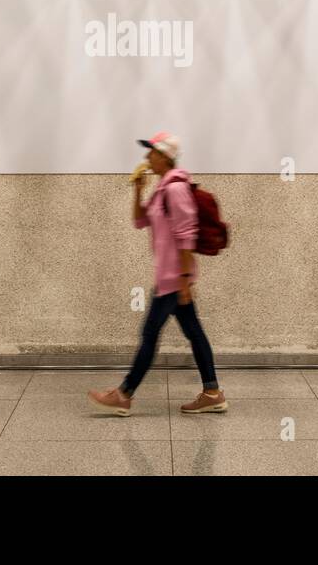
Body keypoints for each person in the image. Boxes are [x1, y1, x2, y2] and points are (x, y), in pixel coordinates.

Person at [88, 132, 227, 417]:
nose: (146, 158)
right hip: (172, 277)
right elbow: (140, 221)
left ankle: (124, 395)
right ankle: (212, 393)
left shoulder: (175, 189)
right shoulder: (162, 189)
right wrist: (138, 189)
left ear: (164, 156)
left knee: (149, 333)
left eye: (151, 152)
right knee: (193, 332)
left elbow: (186, 235)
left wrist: (185, 279)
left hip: (174, 279)